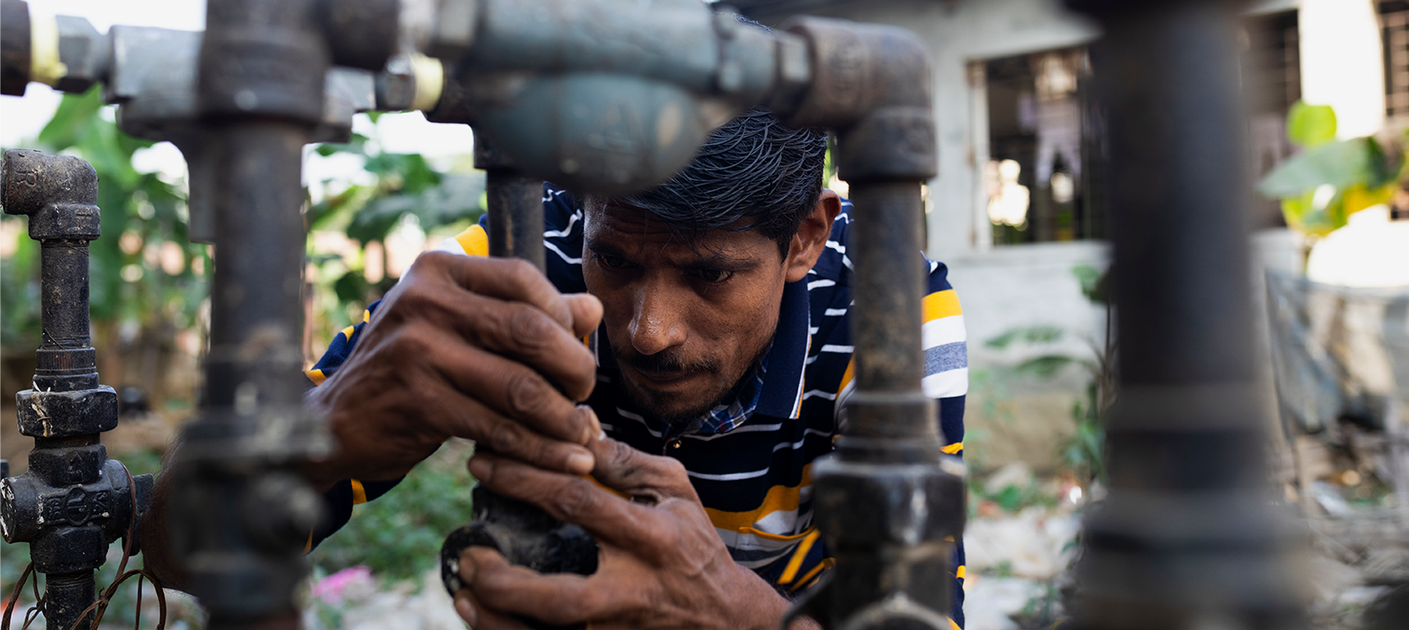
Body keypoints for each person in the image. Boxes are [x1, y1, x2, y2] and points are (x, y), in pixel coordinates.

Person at [142, 108, 969, 629]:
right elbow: (174, 556)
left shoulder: (894, 307)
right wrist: (322, 429)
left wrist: (731, 611)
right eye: (613, 259)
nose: (647, 332)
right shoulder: (519, 258)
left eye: (709, 274)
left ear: (805, 239)